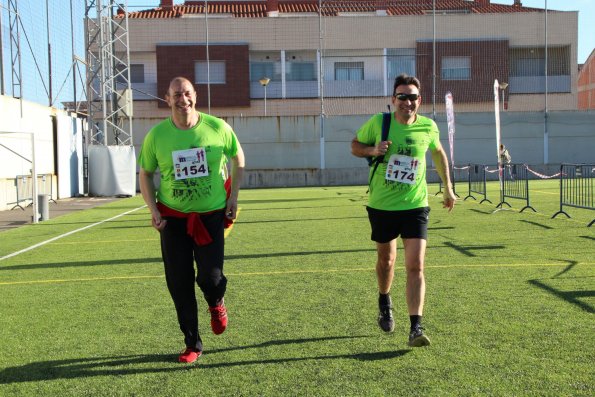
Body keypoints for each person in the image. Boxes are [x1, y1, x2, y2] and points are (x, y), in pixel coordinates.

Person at [138, 76, 245, 363]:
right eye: (176, 95)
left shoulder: (217, 128)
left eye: (186, 93)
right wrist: (154, 209)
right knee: (179, 282)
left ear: (195, 95)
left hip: (211, 215)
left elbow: (238, 158)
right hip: (172, 219)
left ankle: (216, 301)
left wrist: (233, 197)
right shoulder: (157, 136)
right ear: (167, 98)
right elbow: (145, 173)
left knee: (210, 278)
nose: (182, 99)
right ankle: (192, 344)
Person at [351, 74, 456, 347]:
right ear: (393, 99)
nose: (407, 102)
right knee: (386, 262)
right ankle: (384, 299)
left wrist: (448, 187)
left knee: (415, 265)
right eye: (402, 96)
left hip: (415, 205)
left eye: (412, 97)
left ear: (419, 101)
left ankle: (416, 327)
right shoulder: (380, 123)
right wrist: (374, 150)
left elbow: (438, 153)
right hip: (382, 206)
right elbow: (355, 146)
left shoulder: (428, 127)